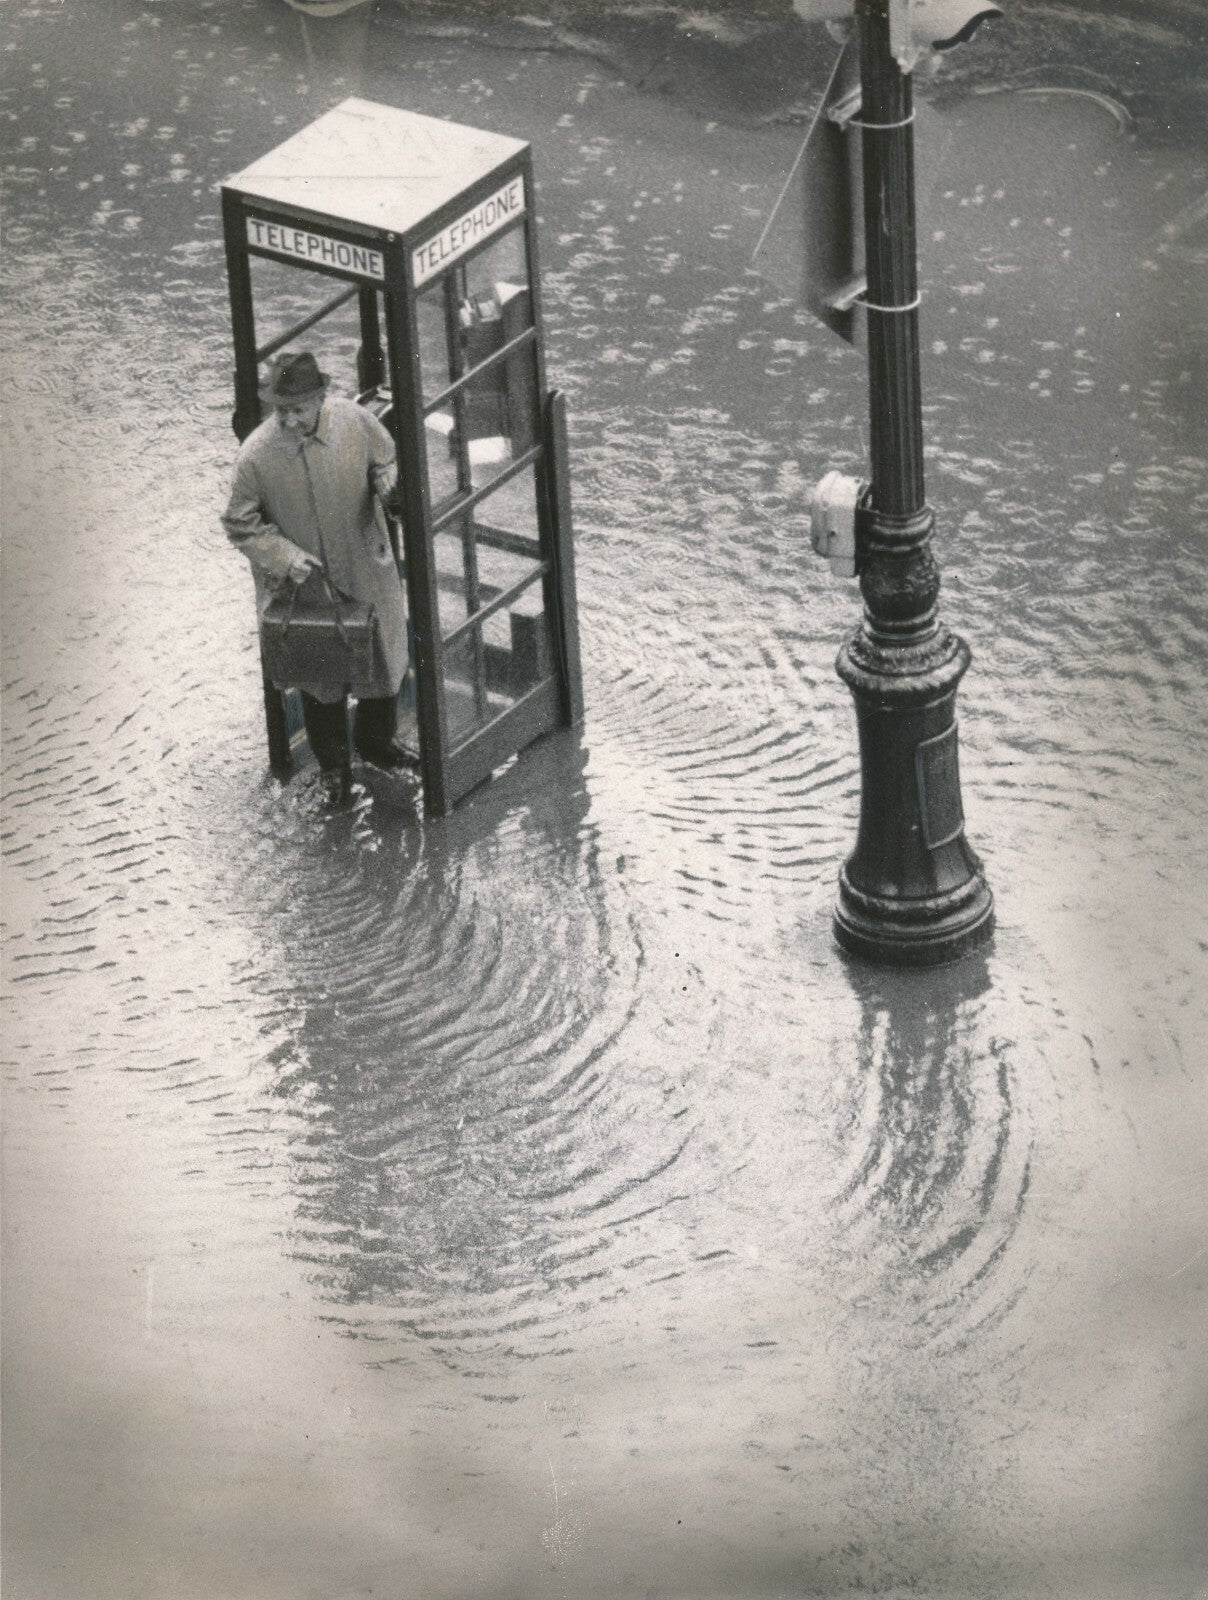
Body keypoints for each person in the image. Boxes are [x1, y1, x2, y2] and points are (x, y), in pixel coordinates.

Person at [222, 351, 409, 801]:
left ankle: (376, 745)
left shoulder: (356, 422)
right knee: (318, 676)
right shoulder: (255, 456)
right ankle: (334, 770)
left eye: (297, 410)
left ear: (321, 399)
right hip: (305, 584)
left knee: (381, 661)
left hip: (365, 563)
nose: (286, 420)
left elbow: (387, 458)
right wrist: (284, 556)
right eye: (280, 409)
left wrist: (386, 480)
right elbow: (239, 522)